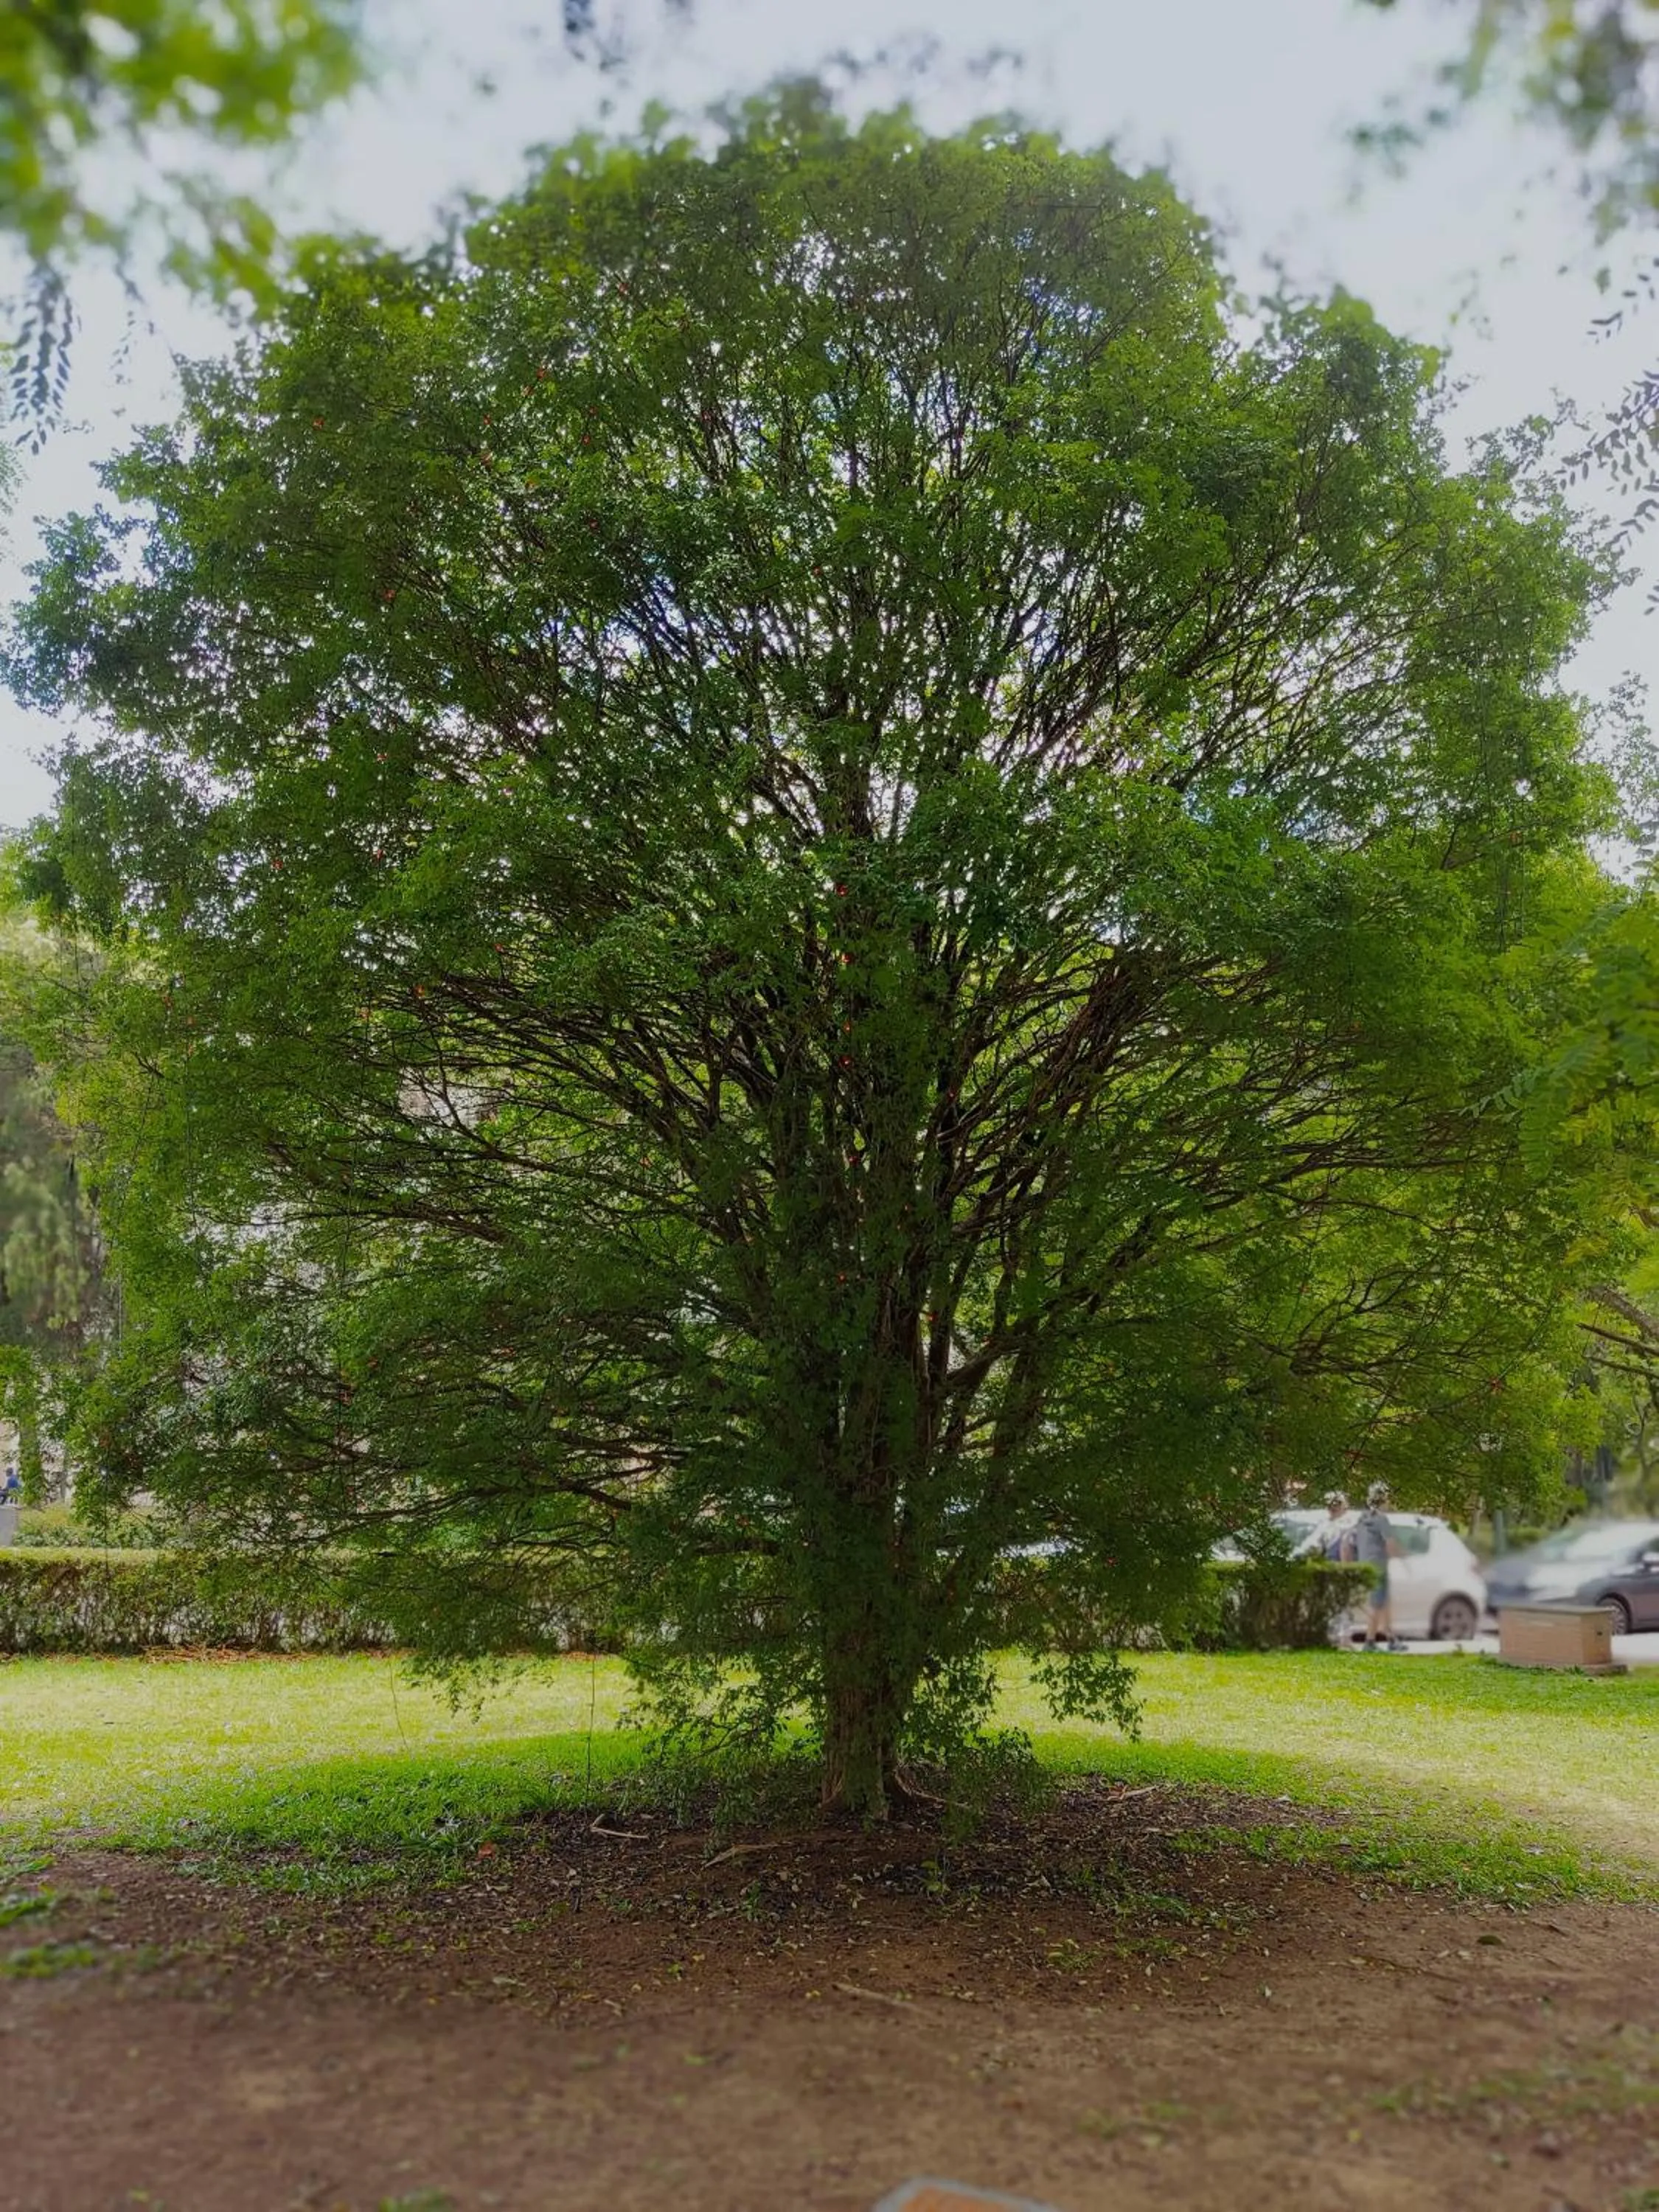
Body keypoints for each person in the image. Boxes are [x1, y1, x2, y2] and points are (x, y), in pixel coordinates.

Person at [1351, 1481, 1404, 1651]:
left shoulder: (1362, 1519)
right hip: (1378, 1567)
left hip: (1365, 1565)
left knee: (1384, 1602)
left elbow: (1353, 1542)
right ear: (1383, 1499)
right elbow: (1391, 1544)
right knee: (1377, 1604)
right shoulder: (1382, 1520)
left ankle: (1391, 1638)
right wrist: (1401, 1557)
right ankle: (1370, 1641)